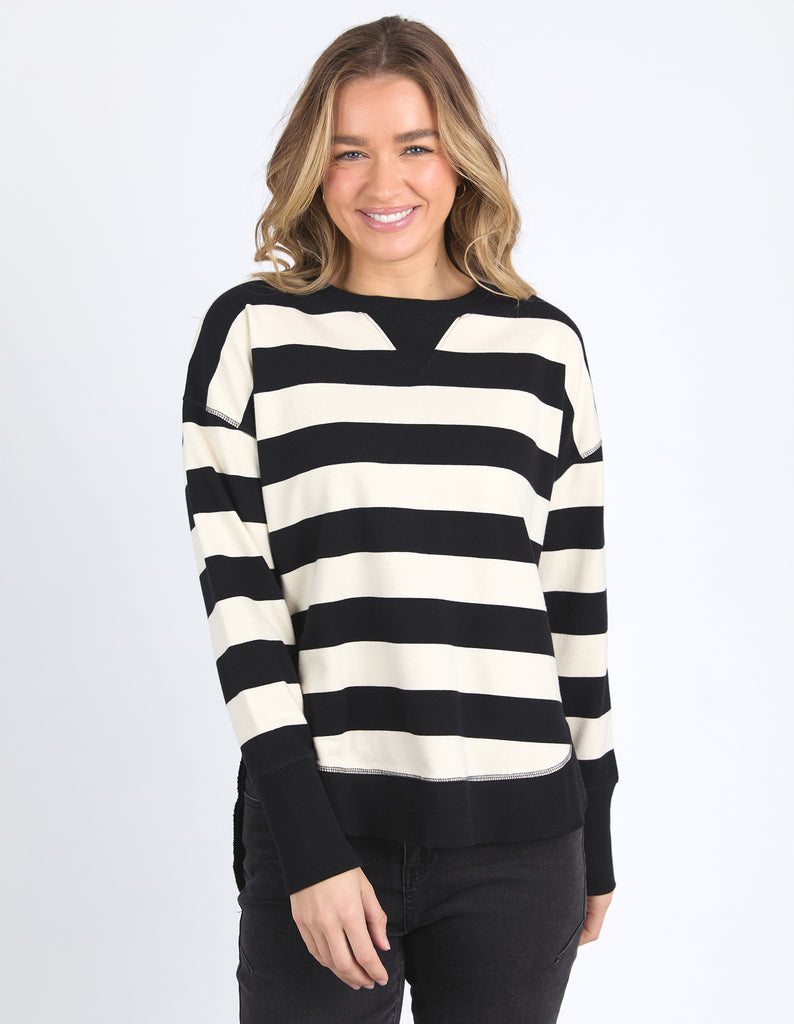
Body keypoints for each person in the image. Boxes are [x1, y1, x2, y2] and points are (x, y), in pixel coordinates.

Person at [181, 14, 618, 1023]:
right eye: (349, 152)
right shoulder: (252, 338)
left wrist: (594, 825)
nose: (384, 182)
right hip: (325, 832)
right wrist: (308, 846)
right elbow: (243, 612)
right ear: (313, 167)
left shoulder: (544, 351)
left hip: (521, 847)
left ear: (459, 157)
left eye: (415, 146)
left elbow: (574, 606)